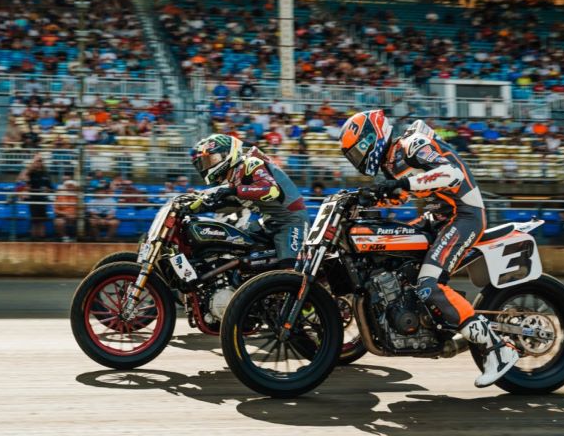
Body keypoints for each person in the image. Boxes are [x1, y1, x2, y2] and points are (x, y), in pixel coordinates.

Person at [338, 110, 519, 388]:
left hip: (464, 215)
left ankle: (499, 349)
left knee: (428, 284)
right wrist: (362, 200)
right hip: (439, 217)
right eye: (353, 155)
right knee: (396, 260)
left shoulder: (412, 145)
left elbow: (449, 173)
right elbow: (397, 196)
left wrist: (401, 184)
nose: (358, 158)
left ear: (373, 136)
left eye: (359, 150)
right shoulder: (391, 163)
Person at [191, 134, 309, 267]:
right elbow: (235, 203)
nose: (206, 166)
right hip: (267, 222)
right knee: (228, 242)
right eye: (203, 163)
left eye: (210, 160)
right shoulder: (233, 176)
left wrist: (234, 190)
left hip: (291, 222)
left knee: (290, 270)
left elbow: (271, 190)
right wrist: (202, 207)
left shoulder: (250, 162)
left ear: (226, 153)